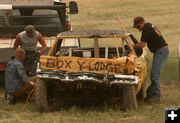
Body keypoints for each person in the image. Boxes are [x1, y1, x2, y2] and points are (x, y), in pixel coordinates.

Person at [133, 16, 169, 103]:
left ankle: (156, 96)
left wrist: (132, 47)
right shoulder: (150, 26)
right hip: (161, 51)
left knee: (154, 75)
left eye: (138, 27)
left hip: (161, 51)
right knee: (154, 74)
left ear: (141, 23)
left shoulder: (146, 29)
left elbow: (142, 45)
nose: (139, 29)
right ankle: (150, 94)